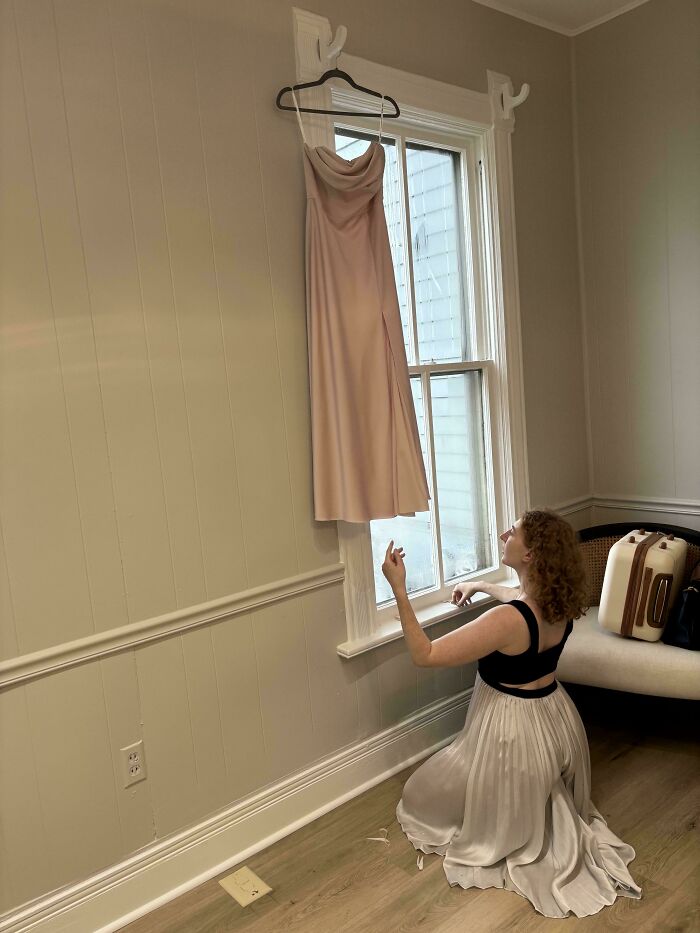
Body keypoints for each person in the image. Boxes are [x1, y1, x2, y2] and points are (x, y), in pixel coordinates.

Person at [381, 508, 642, 919]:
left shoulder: (507, 621)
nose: (505, 533)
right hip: (554, 719)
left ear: (531, 556)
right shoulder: (557, 604)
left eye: (514, 532)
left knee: (420, 797)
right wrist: (480, 584)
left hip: (512, 729)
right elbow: (516, 601)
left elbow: (425, 654)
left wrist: (398, 589)